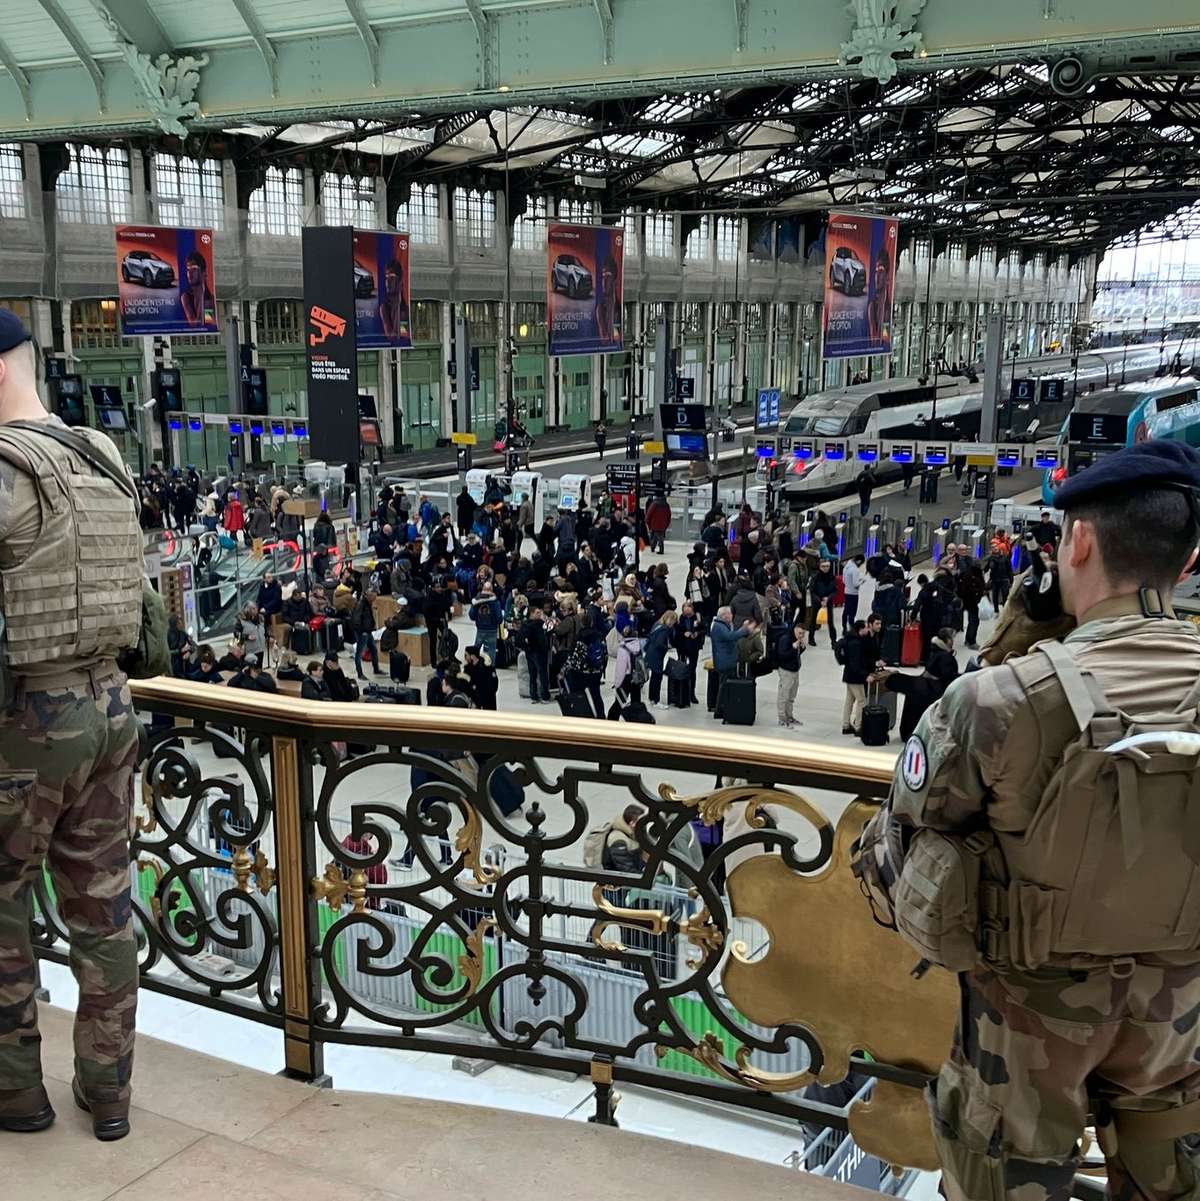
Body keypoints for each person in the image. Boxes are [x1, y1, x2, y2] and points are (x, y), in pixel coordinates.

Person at [854, 438, 1200, 1200]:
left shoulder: (1001, 701)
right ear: (1190, 558)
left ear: (1078, 541)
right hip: (1181, 1025)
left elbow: (892, 854)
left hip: (1024, 1038)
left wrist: (1014, 648)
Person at [0, 310, 146, 1141]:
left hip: (28, 720)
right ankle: (110, 1090)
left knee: (3, 904)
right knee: (103, 908)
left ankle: (18, 1091)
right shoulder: (103, 453)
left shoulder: (5, 469)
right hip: (111, 707)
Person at [710, 606, 753, 719]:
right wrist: (745, 630)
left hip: (725, 660)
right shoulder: (720, 627)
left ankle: (724, 707)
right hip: (725, 662)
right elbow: (730, 637)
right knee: (723, 686)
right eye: (729, 614)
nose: (731, 616)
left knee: (725, 686)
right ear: (723, 616)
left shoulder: (722, 625)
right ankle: (719, 710)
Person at [607, 614, 644, 721]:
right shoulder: (638, 645)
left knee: (618, 703)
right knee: (636, 702)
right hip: (636, 677)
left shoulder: (623, 649)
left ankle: (611, 721)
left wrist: (617, 684)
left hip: (626, 679)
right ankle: (637, 721)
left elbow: (621, 669)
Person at [840, 619, 871, 735]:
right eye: (866, 627)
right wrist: (864, 675)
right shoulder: (856, 644)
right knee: (862, 700)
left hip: (849, 675)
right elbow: (855, 663)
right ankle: (859, 726)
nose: (867, 629)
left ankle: (846, 725)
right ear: (860, 629)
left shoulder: (851, 640)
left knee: (849, 700)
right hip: (855, 677)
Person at [774, 618, 806, 728]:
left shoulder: (796, 639)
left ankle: (789, 715)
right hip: (786, 671)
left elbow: (796, 655)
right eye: (800, 633)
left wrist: (801, 648)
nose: (801, 635)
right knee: (783, 695)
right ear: (795, 630)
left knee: (791, 696)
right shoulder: (785, 639)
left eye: (803, 634)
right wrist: (793, 648)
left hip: (795, 670)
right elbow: (782, 656)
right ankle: (782, 718)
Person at [644, 610, 677, 709]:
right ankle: (656, 700)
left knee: (654, 678)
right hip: (657, 656)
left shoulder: (657, 624)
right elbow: (659, 643)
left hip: (650, 653)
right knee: (657, 678)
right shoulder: (664, 630)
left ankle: (651, 699)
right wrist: (667, 648)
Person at [352, 588, 384, 680]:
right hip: (363, 632)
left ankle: (376, 669)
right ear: (370, 595)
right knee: (359, 653)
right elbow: (356, 620)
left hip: (368, 631)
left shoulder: (367, 603)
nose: (375, 598)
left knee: (374, 650)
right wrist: (362, 631)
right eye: (375, 596)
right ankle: (360, 673)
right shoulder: (361, 604)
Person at [180, 250, 216, 327]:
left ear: (203, 272)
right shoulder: (186, 297)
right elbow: (194, 324)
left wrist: (203, 295)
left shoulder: (209, 299)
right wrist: (201, 294)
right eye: (188, 269)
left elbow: (208, 322)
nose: (190, 272)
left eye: (194, 268)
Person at [379, 256, 410, 341]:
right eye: (386, 277)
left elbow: (403, 335)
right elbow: (391, 337)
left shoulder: (405, 310)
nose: (388, 281)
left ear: (400, 282)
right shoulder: (384, 308)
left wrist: (399, 305)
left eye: (392, 277)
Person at [808, 559, 838, 646]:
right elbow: (812, 591)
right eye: (823, 566)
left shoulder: (832, 577)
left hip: (828, 602)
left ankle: (833, 641)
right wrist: (820, 600)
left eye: (827, 566)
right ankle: (811, 638)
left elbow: (836, 590)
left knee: (830, 622)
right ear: (820, 567)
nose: (825, 568)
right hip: (817, 602)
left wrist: (828, 598)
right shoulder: (815, 577)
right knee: (813, 620)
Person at [462, 645, 499, 711]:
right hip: (473, 705)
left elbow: (493, 687)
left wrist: (476, 688)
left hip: (488, 704)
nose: (465, 658)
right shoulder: (467, 669)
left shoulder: (487, 669)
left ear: (472, 656)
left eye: (466, 655)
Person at [842, 554, 865, 631]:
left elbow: (844, 580)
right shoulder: (855, 570)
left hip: (847, 591)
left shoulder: (846, 567)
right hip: (853, 593)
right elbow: (855, 584)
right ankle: (851, 627)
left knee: (846, 610)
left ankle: (844, 627)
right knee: (852, 611)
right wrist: (862, 581)